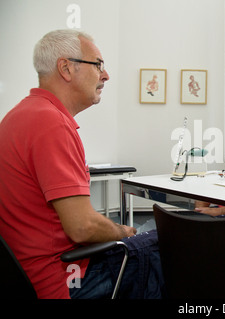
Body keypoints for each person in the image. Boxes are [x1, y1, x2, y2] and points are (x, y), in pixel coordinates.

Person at [0, 30, 163, 299]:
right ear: (65, 68)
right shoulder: (52, 123)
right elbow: (82, 227)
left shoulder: (18, 116)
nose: (105, 75)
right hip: (61, 278)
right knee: (166, 248)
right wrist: (122, 230)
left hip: (24, 271)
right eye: (98, 64)